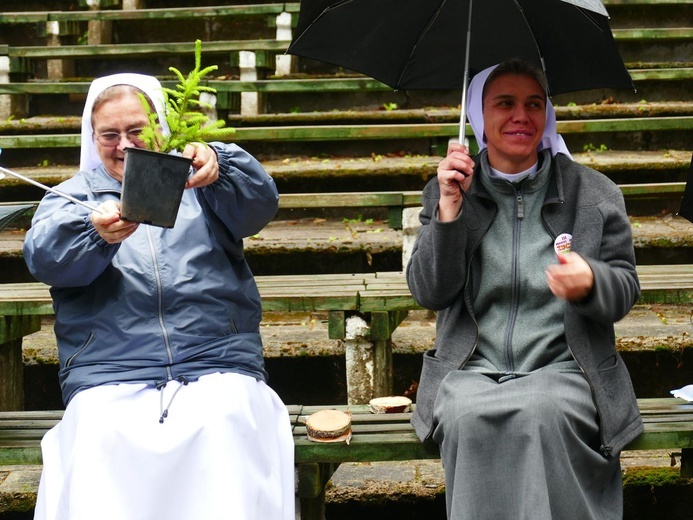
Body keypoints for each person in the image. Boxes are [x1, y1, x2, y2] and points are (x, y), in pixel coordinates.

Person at [23, 73, 294, 520]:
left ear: (159, 126)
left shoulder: (201, 182)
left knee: (226, 420)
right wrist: (94, 235)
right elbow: (46, 260)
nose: (124, 144)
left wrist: (220, 166)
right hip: (110, 371)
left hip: (214, 361)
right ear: (93, 137)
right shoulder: (71, 198)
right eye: (110, 134)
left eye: (136, 130)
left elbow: (258, 207)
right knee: (99, 432)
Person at [406, 58, 643, 519]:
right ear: (478, 116)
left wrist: (592, 281)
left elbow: (625, 288)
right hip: (471, 371)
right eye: (505, 103)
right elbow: (429, 291)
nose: (521, 116)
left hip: (566, 371)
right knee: (468, 416)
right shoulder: (448, 190)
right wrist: (450, 215)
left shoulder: (593, 194)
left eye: (534, 104)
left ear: (547, 114)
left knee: (542, 407)